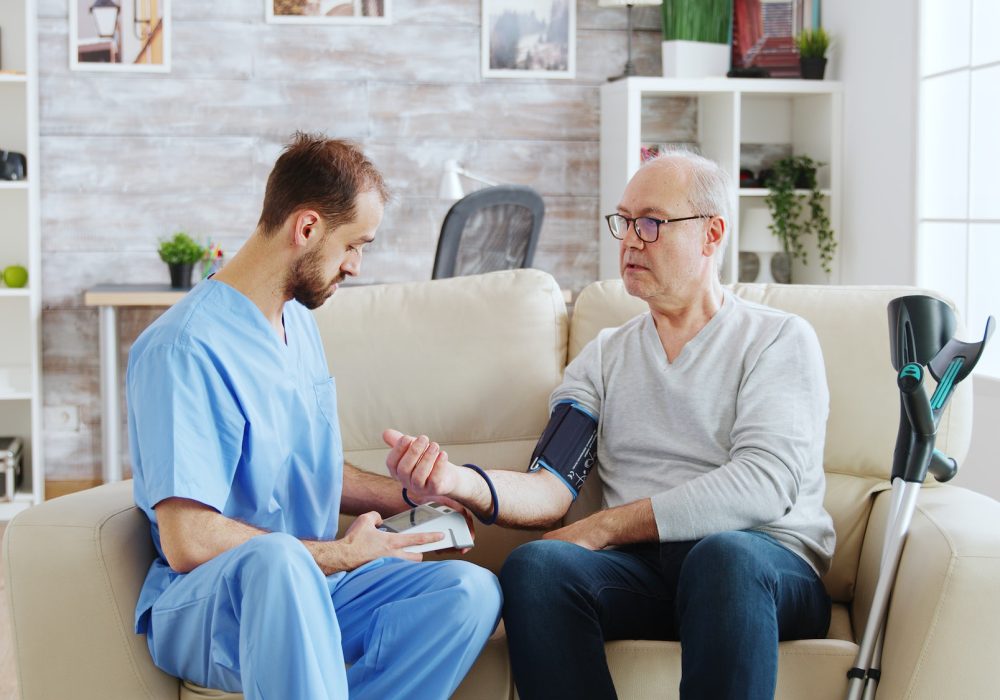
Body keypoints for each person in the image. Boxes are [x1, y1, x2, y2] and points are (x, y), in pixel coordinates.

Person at [384, 150, 836, 699]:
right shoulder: (605, 357)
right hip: (647, 574)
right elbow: (551, 488)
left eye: (651, 223)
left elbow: (765, 483)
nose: (630, 240)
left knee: (722, 557)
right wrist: (457, 481)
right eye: (625, 221)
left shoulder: (777, 339)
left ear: (711, 234)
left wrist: (604, 526)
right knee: (538, 567)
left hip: (761, 566)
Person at [127, 133, 502, 700]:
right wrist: (340, 555)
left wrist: (413, 500)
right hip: (214, 599)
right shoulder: (181, 350)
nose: (356, 265)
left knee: (470, 592)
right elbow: (188, 539)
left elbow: (306, 469)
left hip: (315, 580)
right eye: (355, 244)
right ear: (306, 229)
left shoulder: (296, 323)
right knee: (278, 561)